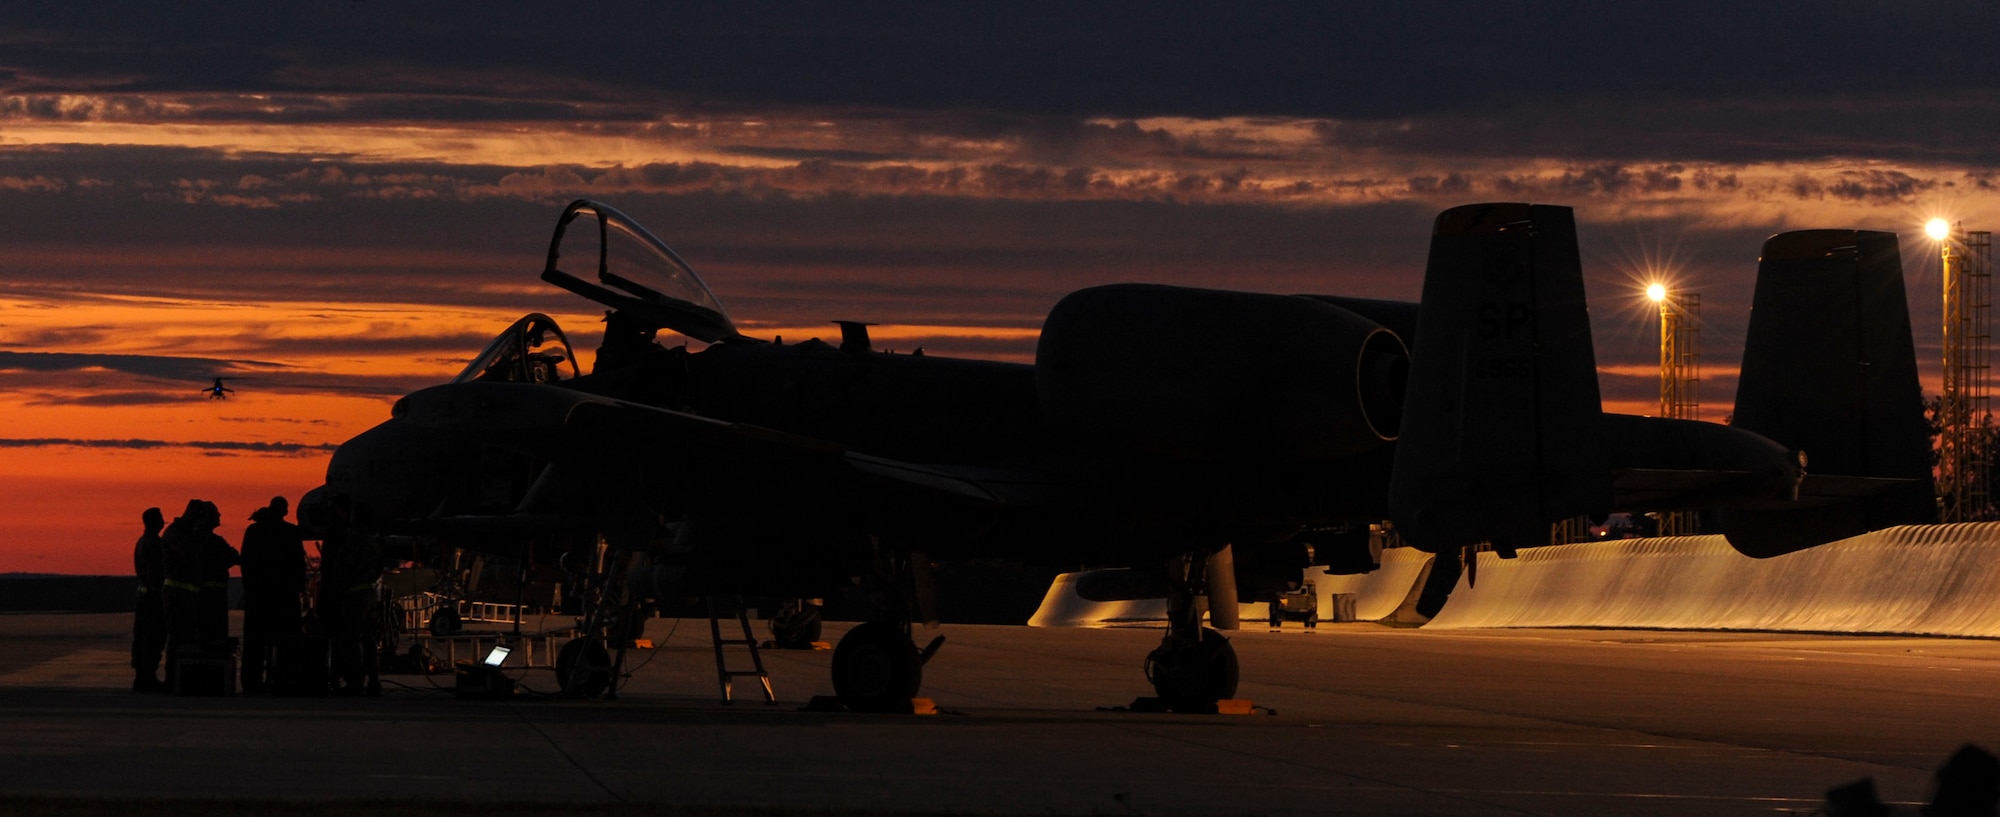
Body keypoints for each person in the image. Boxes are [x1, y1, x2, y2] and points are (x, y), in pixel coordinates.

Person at [239, 496, 305, 694]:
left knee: (254, 642)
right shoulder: (291, 532)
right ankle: (284, 680)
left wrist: (250, 589)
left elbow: (246, 563)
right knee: (286, 641)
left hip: (259, 595)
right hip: (284, 596)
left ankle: (252, 683)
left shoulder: (254, 531)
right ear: (285, 511)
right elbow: (298, 565)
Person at [158, 500, 209, 686]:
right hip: (177, 593)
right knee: (177, 636)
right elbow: (188, 553)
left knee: (186, 636)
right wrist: (201, 533)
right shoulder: (177, 532)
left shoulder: (184, 532)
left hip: (186, 593)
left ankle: (180, 675)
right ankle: (172, 677)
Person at [130, 507, 168, 692]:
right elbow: (155, 572)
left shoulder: (144, 541)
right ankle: (147, 677)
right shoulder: (153, 544)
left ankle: (142, 676)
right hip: (151, 599)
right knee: (152, 638)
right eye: (160, 518)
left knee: (143, 638)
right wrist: (158, 595)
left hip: (144, 597)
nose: (163, 521)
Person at [196, 501, 240, 649]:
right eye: (216, 513)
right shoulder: (213, 541)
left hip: (206, 594)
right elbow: (233, 557)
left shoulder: (198, 539)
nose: (219, 515)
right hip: (212, 596)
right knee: (214, 633)